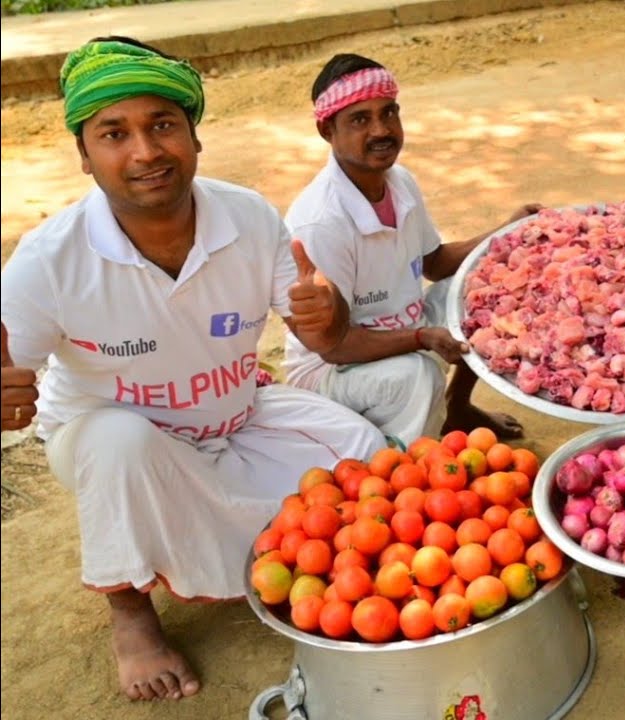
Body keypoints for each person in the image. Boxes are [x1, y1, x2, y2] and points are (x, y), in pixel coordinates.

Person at [0, 37, 387, 701]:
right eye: (114, 134)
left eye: (162, 126)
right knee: (119, 443)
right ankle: (131, 612)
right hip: (113, 444)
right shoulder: (48, 262)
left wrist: (326, 312)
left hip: (236, 413)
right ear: (84, 156)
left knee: (366, 453)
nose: (146, 152)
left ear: (194, 138)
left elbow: (321, 329)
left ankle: (263, 548)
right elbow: (8, 366)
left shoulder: (247, 216)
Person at [282, 53, 537, 447]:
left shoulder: (399, 181)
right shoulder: (320, 221)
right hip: (332, 370)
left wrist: (506, 233)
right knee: (416, 375)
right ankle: (406, 471)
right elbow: (335, 346)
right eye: (360, 120)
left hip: (404, 326)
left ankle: (457, 409)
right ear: (327, 130)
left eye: (389, 113)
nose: (381, 130)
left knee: (487, 287)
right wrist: (421, 338)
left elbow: (435, 264)